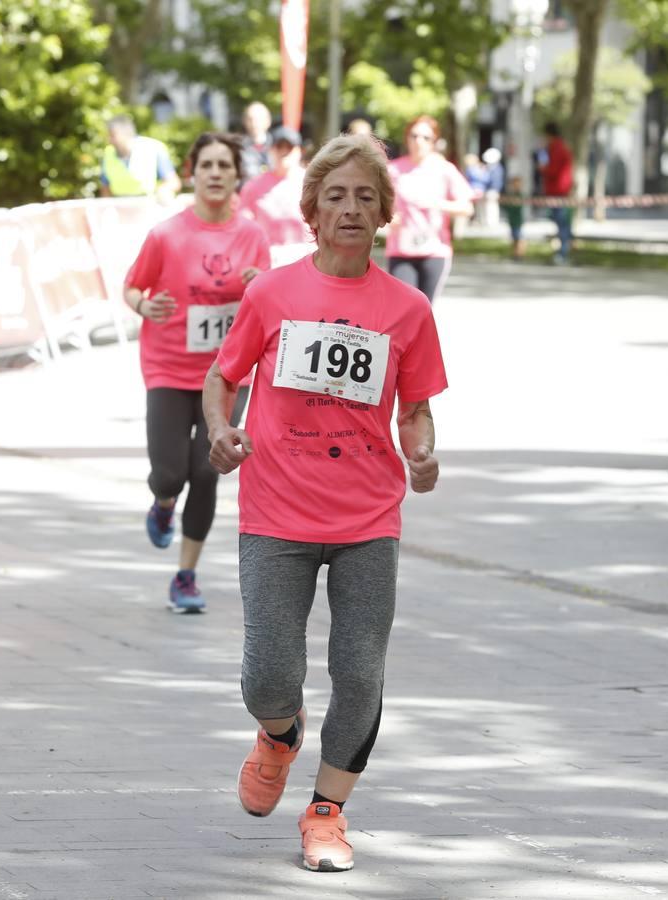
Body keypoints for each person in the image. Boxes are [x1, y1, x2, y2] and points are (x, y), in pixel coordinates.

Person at [203, 133, 446, 873]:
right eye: (335, 196)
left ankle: (327, 813)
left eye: (364, 198)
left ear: (383, 217)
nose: (349, 208)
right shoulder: (271, 293)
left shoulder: (407, 309)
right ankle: (279, 735)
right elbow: (223, 377)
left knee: (360, 670)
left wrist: (424, 449)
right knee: (268, 677)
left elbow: (417, 407)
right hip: (276, 508)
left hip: (368, 516)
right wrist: (221, 429)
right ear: (310, 211)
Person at [123, 132, 271, 611]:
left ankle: (186, 575)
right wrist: (146, 305)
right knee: (169, 474)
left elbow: (267, 303)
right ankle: (163, 504)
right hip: (168, 367)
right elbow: (131, 288)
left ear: (235, 176)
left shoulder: (252, 236)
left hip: (228, 373)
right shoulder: (166, 234)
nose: (214, 173)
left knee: (206, 473)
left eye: (224, 166)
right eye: (205, 165)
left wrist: (258, 284)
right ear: (191, 172)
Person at [385, 116, 474, 302]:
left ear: (434, 141)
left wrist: (438, 203)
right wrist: (388, 217)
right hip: (401, 249)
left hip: (434, 249)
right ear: (407, 138)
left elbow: (466, 207)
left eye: (426, 138)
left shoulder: (444, 169)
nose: (419, 141)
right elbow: (378, 203)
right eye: (414, 136)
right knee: (404, 305)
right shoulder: (393, 169)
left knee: (425, 307)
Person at [239, 126, 310, 266]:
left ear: (299, 151)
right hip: (270, 262)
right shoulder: (254, 186)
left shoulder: (313, 183)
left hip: (307, 261)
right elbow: (243, 229)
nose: (284, 152)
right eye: (279, 147)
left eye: (289, 147)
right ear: (270, 150)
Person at [99, 115, 180, 202]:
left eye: (112, 135)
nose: (109, 140)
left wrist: (163, 191)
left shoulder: (152, 147)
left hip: (147, 206)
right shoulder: (108, 153)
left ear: (124, 133)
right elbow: (105, 186)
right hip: (120, 207)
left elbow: (173, 182)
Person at [538, 121, 574, 264]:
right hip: (558, 190)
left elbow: (553, 170)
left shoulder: (557, 149)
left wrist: (543, 168)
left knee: (562, 223)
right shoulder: (556, 148)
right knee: (560, 222)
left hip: (558, 191)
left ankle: (563, 253)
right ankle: (562, 251)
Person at [240, 102, 273, 182]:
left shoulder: (277, 146)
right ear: (245, 122)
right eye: (250, 119)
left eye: (259, 119)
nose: (254, 123)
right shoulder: (239, 148)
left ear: (268, 121)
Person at [501, 173, 527, 260]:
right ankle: (515, 253)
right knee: (514, 237)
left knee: (518, 237)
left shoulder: (519, 195)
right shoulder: (511, 195)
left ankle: (519, 254)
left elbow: (516, 207)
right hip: (512, 220)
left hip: (517, 220)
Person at [480, 147, 505, 228]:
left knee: (491, 206)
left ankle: (491, 222)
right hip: (492, 190)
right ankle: (489, 222)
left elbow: (489, 180)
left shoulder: (496, 169)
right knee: (490, 206)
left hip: (492, 190)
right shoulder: (495, 168)